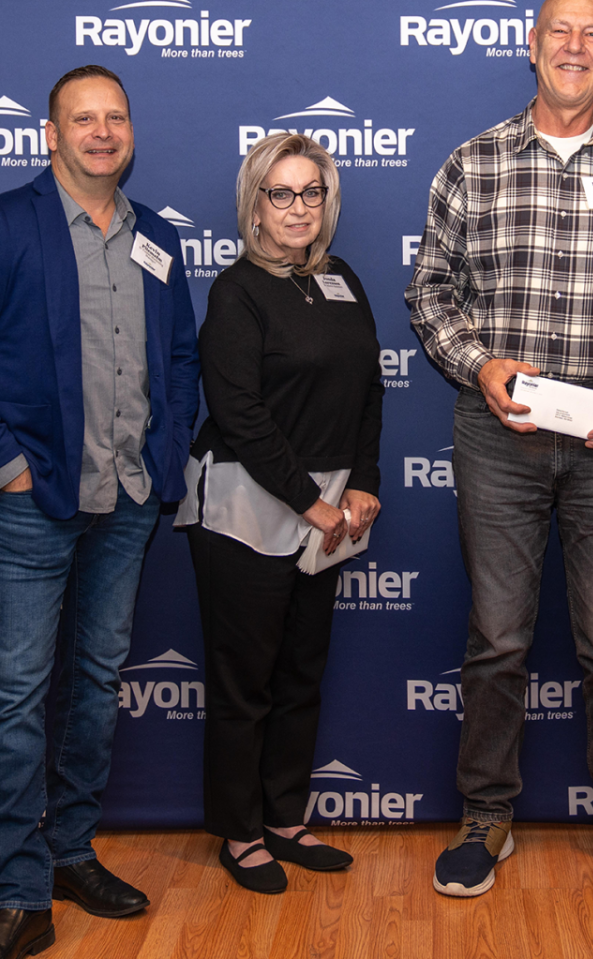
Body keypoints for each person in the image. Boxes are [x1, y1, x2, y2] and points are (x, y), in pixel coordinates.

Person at [406, 0, 593, 901]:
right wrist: (478, 364)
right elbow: (430, 291)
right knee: (497, 637)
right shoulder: (473, 161)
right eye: (559, 33)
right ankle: (487, 816)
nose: (574, 48)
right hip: (499, 437)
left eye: (592, 36)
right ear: (531, 47)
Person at [0, 65, 200, 959]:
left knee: (96, 684)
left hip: (127, 504)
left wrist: (165, 457)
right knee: (17, 698)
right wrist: (2, 469)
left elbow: (181, 357)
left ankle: (71, 848)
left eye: (115, 117)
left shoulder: (155, 236)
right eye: (84, 118)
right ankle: (20, 892)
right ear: (50, 133)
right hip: (33, 503)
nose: (102, 132)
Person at [176, 132, 383, 894]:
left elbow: (369, 389)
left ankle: (285, 817)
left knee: (301, 671)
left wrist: (362, 481)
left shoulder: (343, 280)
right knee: (245, 680)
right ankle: (238, 829)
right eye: (281, 193)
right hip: (247, 505)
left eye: (312, 192)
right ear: (254, 207)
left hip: (329, 507)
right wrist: (311, 502)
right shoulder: (236, 292)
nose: (298, 208)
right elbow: (236, 411)